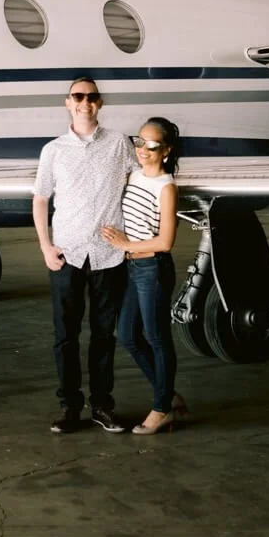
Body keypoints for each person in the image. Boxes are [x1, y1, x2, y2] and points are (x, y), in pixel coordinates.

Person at [32, 76, 136, 435]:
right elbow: (41, 198)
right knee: (65, 335)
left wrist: (132, 240)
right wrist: (46, 247)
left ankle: (102, 407)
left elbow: (141, 184)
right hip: (67, 254)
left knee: (104, 335)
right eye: (78, 96)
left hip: (109, 255)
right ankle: (70, 407)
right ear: (68, 102)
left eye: (91, 97)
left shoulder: (120, 144)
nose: (85, 102)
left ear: (100, 103)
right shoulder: (53, 150)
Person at [103, 116, 185, 435]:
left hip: (153, 268)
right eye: (138, 142)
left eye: (152, 145)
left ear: (166, 150)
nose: (143, 149)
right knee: (127, 335)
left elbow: (165, 241)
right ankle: (168, 395)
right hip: (131, 267)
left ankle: (162, 408)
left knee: (156, 338)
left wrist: (126, 243)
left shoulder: (166, 187)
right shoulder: (134, 176)